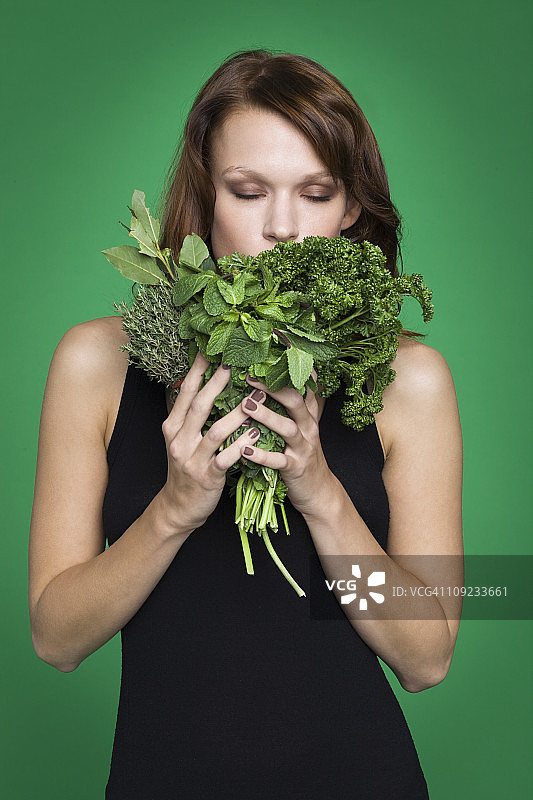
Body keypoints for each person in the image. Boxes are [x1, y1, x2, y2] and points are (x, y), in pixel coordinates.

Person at [28, 50, 464, 799]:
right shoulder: (95, 363)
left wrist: (319, 491)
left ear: (351, 207)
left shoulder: (410, 381)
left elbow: (425, 660)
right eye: (248, 191)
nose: (284, 228)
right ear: (206, 193)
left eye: (317, 192)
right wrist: (172, 510)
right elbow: (55, 639)